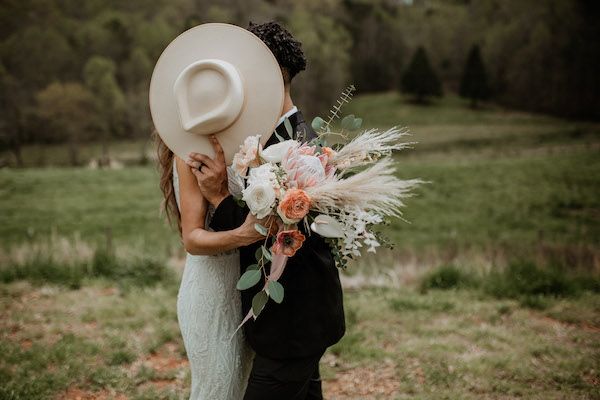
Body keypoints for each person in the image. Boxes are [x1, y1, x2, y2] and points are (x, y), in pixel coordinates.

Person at [185, 21, 345, 400]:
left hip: (292, 328)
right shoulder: (270, 137)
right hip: (295, 324)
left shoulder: (298, 151)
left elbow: (279, 240)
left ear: (268, 75)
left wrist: (220, 198)